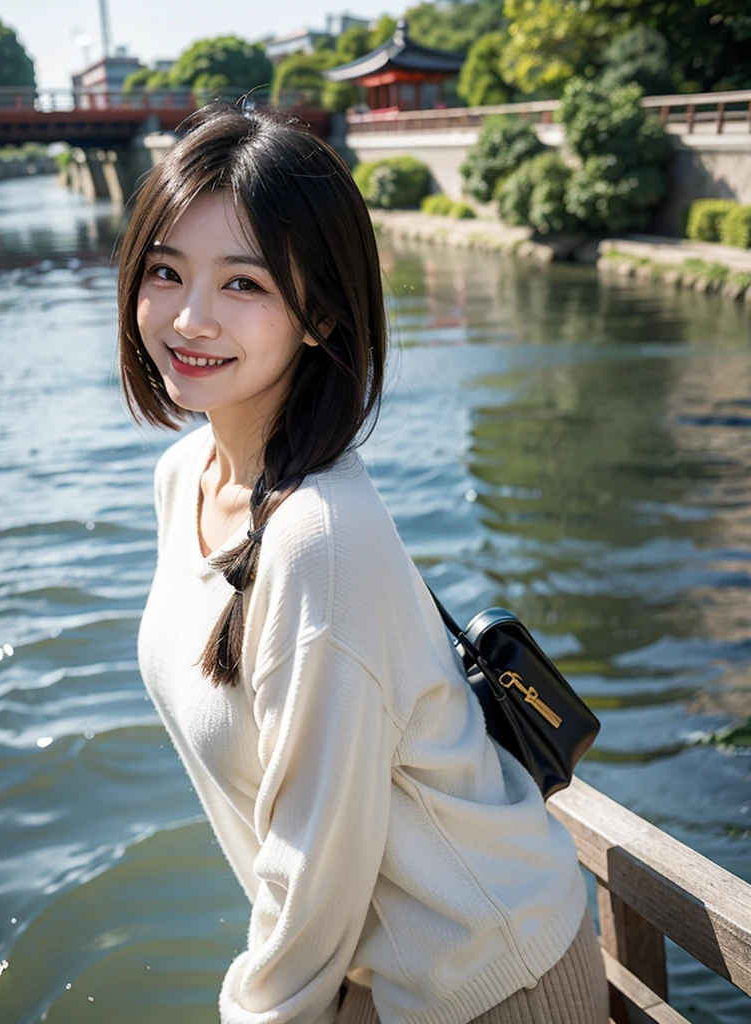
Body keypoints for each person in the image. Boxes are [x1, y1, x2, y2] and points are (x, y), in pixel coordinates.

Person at [123, 102, 609, 1024]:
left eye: (245, 285)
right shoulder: (183, 473)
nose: (189, 317)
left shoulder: (321, 535)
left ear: (323, 317)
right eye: (165, 271)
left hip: (484, 980)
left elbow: (313, 869)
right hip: (372, 974)